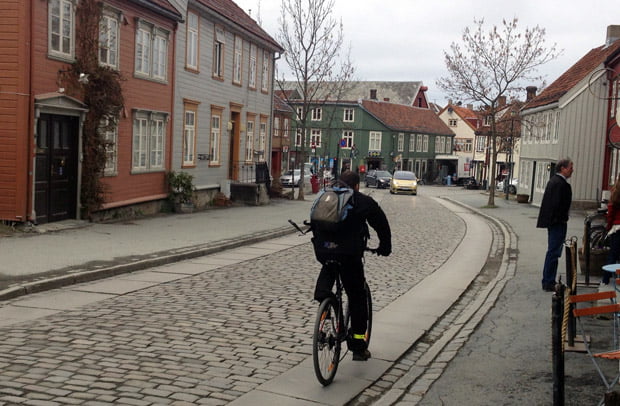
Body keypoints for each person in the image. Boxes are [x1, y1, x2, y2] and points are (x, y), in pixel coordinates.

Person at [312, 170, 392, 361]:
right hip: (349, 255)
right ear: (356, 186)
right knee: (357, 296)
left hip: (324, 251)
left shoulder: (325, 196)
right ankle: (357, 346)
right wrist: (385, 247)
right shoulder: (362, 201)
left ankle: (324, 296)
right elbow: (381, 224)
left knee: (330, 266)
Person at [536, 158, 574, 292]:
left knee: (553, 251)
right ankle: (548, 281)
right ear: (563, 168)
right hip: (558, 223)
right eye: (570, 167)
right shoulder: (560, 184)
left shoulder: (554, 181)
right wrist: (561, 218)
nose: (572, 170)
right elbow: (557, 205)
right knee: (554, 252)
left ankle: (548, 279)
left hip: (553, 222)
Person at [604, 177, 620, 285]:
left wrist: (608, 227)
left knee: (612, 255)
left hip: (617, 228)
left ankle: (606, 279)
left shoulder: (615, 194)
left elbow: (610, 214)